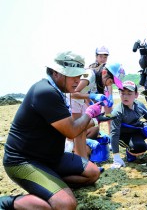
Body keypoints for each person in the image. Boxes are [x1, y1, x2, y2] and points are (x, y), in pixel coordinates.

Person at [0, 51, 107, 209]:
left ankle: (50, 184)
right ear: (56, 73)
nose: (78, 81)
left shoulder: (58, 90)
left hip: (51, 158)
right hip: (23, 161)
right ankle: (6, 202)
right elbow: (71, 131)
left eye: (80, 76)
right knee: (66, 204)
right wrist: (90, 113)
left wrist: (93, 97)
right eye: (73, 76)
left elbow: (74, 111)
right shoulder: (45, 92)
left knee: (93, 173)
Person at [66, 61, 123, 159]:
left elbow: (87, 95)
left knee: (85, 128)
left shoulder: (97, 80)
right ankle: (70, 155)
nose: (110, 84)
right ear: (104, 72)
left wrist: (101, 102)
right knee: (76, 130)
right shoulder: (90, 75)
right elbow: (72, 93)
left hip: (80, 102)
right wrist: (93, 96)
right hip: (71, 101)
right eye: (111, 81)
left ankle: (81, 158)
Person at [110, 80, 147, 169]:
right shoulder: (117, 112)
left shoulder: (139, 104)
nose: (125, 96)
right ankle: (130, 150)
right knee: (139, 147)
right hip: (124, 136)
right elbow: (114, 134)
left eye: (129, 93)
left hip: (136, 131)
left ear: (136, 95)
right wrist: (116, 156)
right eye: (122, 93)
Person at [88, 45, 113, 137]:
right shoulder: (91, 68)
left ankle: (111, 135)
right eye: (100, 56)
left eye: (105, 57)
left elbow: (110, 84)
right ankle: (96, 133)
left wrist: (110, 96)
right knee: (96, 115)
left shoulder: (108, 68)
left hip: (104, 93)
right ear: (96, 56)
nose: (103, 59)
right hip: (94, 94)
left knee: (109, 115)